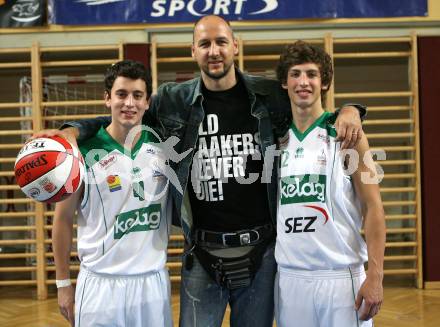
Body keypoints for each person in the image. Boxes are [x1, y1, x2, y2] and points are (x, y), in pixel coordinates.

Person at [40, 15, 365, 327]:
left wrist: (350, 110)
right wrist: (75, 130)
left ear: (235, 46)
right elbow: (125, 118)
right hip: (201, 254)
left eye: (221, 42)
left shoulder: (269, 95)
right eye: (205, 43)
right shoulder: (172, 99)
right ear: (193, 50)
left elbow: (310, 104)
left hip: (261, 253)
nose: (214, 51)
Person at [52, 60, 173, 327]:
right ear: (107, 98)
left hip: (151, 282)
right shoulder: (81, 153)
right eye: (121, 94)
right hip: (99, 285)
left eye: (137, 95)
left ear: (147, 103)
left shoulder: (165, 148)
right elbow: (62, 220)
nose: (129, 103)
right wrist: (63, 284)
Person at [274, 41, 385, 327]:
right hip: (290, 279)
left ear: (324, 83)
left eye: (311, 74)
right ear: (284, 83)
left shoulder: (349, 135)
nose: (303, 82)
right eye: (295, 74)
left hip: (341, 277)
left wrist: (375, 276)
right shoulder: (273, 139)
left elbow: (374, 207)